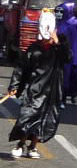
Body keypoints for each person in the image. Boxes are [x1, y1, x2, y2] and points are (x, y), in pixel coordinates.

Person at [7, 11, 67, 158]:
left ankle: (33, 147)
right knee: (27, 117)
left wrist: (58, 42)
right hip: (34, 89)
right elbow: (21, 68)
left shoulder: (60, 46)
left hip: (52, 90)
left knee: (45, 120)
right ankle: (20, 144)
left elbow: (68, 57)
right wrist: (15, 86)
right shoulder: (34, 49)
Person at [54, 0, 77, 105]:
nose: (59, 14)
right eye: (57, 11)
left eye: (61, 11)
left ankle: (68, 96)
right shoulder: (57, 22)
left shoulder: (75, 23)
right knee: (59, 76)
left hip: (72, 53)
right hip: (58, 53)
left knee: (71, 76)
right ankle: (60, 97)